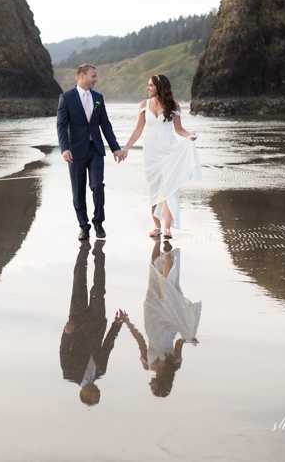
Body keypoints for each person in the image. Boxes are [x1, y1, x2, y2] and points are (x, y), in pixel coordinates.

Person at [119, 74, 201, 239]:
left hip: (169, 150)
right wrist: (126, 148)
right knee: (154, 187)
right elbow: (138, 130)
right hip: (151, 152)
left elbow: (179, 129)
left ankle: (166, 228)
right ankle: (156, 226)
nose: (147, 88)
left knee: (169, 188)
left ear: (159, 87)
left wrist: (189, 135)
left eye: (150, 85)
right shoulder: (144, 104)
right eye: (148, 85)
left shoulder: (174, 105)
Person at [120, 240, 201, 398]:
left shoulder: (146, 364)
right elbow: (178, 343)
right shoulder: (174, 365)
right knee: (168, 289)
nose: (150, 383)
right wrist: (188, 339)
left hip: (151, 321)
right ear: (162, 384)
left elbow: (140, 341)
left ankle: (157, 242)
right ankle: (166, 253)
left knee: (153, 283)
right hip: (167, 327)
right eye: (153, 386)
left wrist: (127, 323)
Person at [56, 64, 124, 241]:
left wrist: (115, 147)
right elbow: (61, 126)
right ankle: (83, 226)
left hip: (95, 149)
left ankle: (98, 223)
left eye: (96, 76)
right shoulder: (66, 98)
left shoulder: (98, 97)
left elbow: (105, 124)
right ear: (82, 76)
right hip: (75, 151)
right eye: (93, 76)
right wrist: (65, 149)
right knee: (78, 190)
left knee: (97, 186)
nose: (96, 79)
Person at [60, 241, 123, 406]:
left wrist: (66, 333)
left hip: (77, 323)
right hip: (96, 322)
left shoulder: (69, 374)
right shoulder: (101, 371)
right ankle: (98, 252)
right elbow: (107, 347)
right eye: (99, 395)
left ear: (84, 394)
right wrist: (116, 325)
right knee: (99, 289)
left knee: (79, 283)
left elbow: (64, 351)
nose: (99, 392)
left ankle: (84, 249)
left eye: (96, 396)